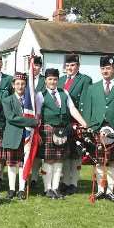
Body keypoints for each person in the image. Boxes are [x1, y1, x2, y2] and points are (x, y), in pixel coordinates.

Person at [83, 55, 114, 203]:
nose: (105, 71)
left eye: (108, 68)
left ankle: (110, 191)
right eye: (103, 68)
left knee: (113, 162)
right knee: (98, 161)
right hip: (97, 130)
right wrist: (88, 129)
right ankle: (100, 190)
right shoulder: (92, 88)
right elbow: (87, 112)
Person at [37, 68, 87, 199]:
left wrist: (84, 123)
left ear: (58, 80)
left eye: (55, 79)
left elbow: (72, 109)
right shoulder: (40, 95)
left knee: (59, 160)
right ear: (45, 80)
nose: (52, 82)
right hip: (48, 129)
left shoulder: (64, 92)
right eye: (50, 79)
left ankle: (55, 188)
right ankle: (47, 188)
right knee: (48, 160)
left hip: (62, 130)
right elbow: (37, 115)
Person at [58, 54, 93, 195]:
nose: (69, 68)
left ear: (78, 66)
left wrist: (84, 123)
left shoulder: (84, 80)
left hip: (77, 121)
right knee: (65, 154)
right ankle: (66, 182)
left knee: (76, 154)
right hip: (64, 123)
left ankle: (74, 183)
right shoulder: (60, 80)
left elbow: (85, 102)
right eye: (67, 66)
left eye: (72, 65)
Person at [2, 72, 39, 200]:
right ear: (13, 85)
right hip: (12, 136)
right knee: (11, 164)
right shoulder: (7, 100)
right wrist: (32, 122)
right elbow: (11, 118)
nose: (20, 86)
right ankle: (12, 189)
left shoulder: (31, 102)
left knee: (23, 163)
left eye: (23, 84)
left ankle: (21, 189)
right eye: (17, 83)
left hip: (27, 136)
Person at [30, 55, 45, 188]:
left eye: (37, 65)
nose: (34, 67)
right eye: (32, 65)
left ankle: (34, 177)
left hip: (41, 119)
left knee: (38, 151)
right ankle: (24, 177)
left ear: (40, 67)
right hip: (26, 119)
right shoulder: (23, 79)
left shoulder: (45, 81)